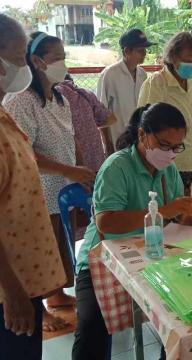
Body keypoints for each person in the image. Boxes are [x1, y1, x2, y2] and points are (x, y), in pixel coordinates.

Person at [72, 102, 192, 359]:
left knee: (184, 316)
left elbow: (174, 213)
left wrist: (185, 218)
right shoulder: (117, 167)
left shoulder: (168, 168)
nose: (170, 154)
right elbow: (106, 223)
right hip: (103, 258)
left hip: (153, 255)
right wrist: (164, 212)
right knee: (92, 327)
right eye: (165, 145)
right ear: (142, 135)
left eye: (177, 147)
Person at [3, 31, 97, 332]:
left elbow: (71, 138)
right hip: (39, 189)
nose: (63, 63)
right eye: (57, 58)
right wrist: (67, 170)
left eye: (63, 57)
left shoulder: (59, 97)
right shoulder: (21, 101)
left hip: (63, 185)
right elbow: (27, 153)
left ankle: (55, 295)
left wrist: (78, 166)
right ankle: (40, 308)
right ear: (36, 61)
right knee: (43, 247)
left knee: (58, 243)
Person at [0, 14, 67, 359]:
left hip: (25, 279)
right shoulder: (15, 107)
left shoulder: (3, 115)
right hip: (9, 288)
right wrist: (11, 291)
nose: (24, 63)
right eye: (18, 54)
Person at [138, 32, 192, 221]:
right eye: (188, 59)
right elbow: (145, 125)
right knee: (175, 224)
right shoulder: (156, 83)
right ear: (173, 58)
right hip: (171, 167)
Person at [97, 28, 155, 148]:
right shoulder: (110, 75)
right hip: (118, 140)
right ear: (127, 51)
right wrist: (107, 144)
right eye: (140, 50)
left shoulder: (142, 74)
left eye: (145, 50)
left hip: (140, 139)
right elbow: (101, 113)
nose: (144, 54)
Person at [57, 74, 117, 172]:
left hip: (70, 162)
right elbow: (111, 119)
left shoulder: (53, 95)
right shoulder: (86, 94)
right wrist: (90, 123)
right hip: (95, 157)